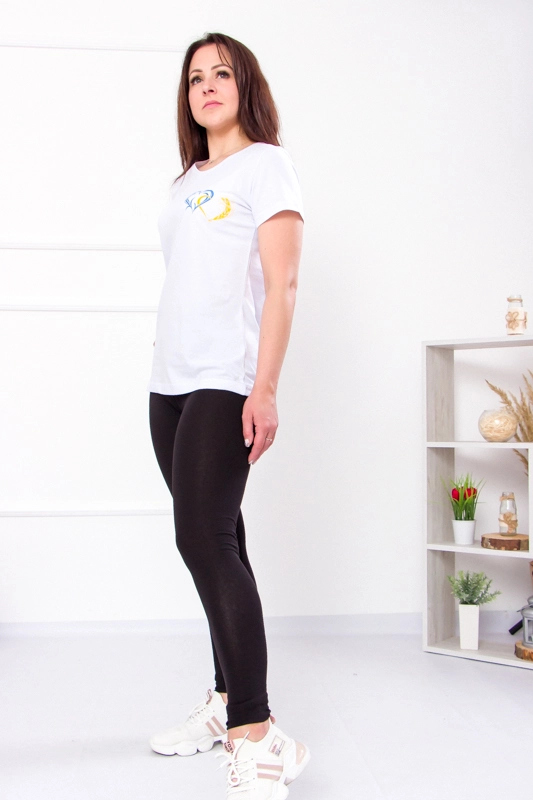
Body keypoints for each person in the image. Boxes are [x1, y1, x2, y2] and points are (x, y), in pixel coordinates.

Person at [147, 31, 309, 798]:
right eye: (194, 78)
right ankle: (223, 701)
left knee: (202, 538)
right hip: (169, 384)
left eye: (220, 73)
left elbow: (282, 285)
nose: (206, 86)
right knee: (221, 539)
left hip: (225, 380)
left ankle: (258, 732)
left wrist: (263, 388)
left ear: (245, 84)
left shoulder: (266, 165)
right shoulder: (185, 181)